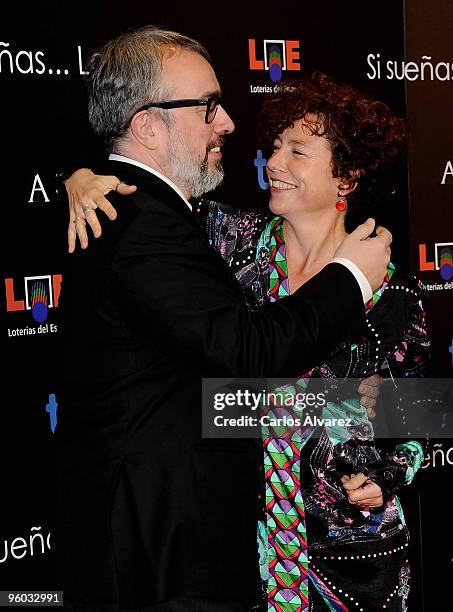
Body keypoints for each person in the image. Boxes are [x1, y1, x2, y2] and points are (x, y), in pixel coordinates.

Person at [57, 27, 393, 612]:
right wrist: (77, 176)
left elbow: (427, 407)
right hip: (257, 539)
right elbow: (234, 374)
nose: (270, 161)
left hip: (346, 543)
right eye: (276, 145)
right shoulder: (233, 244)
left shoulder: (395, 290)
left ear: (347, 177)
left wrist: (383, 458)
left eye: (298, 151)